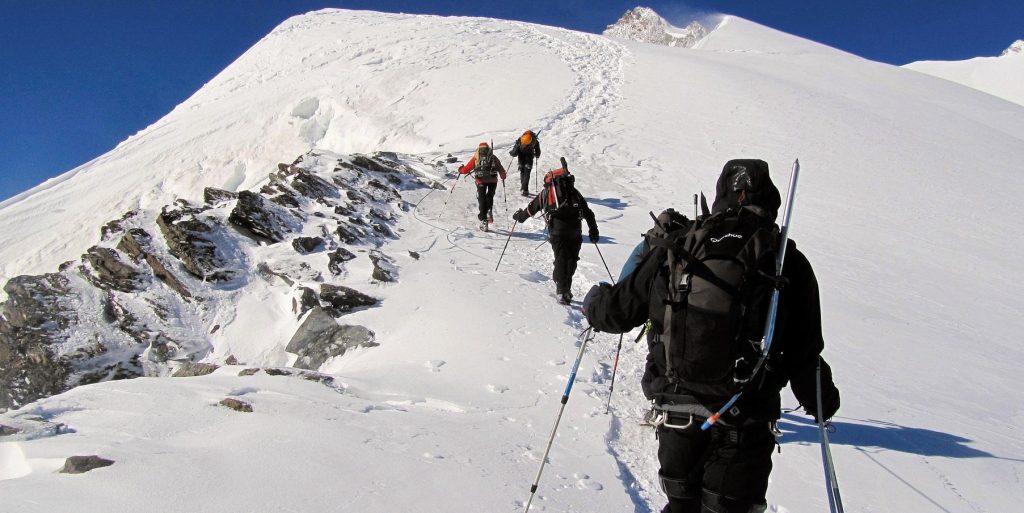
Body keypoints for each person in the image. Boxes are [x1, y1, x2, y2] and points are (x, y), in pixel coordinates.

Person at [582, 159, 840, 513]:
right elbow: (804, 355)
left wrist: (593, 301)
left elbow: (618, 311)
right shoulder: (785, 261)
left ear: (720, 194)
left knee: (681, 504)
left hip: (679, 417)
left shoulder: (681, 246)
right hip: (744, 424)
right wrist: (823, 402)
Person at [512, 163, 598, 304]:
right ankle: (566, 289)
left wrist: (519, 217)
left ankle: (561, 290)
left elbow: (530, 210)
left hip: (557, 231)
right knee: (571, 259)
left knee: (561, 258)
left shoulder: (546, 193)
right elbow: (588, 213)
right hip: (576, 230)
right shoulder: (573, 192)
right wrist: (593, 231)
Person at [458, 142, 508, 231]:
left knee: (482, 198)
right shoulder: (492, 157)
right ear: (488, 148)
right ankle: (489, 210)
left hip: (480, 180)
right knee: (490, 196)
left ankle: (483, 219)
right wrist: (503, 176)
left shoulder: (476, 157)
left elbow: (466, 169)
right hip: (493, 180)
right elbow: (500, 168)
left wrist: (460, 170)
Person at [509, 130, 541, 196]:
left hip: (521, 157)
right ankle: (524, 189)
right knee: (527, 172)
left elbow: (515, 150)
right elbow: (538, 151)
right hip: (529, 157)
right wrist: (537, 155)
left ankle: (524, 188)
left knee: (523, 171)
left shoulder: (520, 140)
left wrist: (512, 153)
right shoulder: (534, 141)